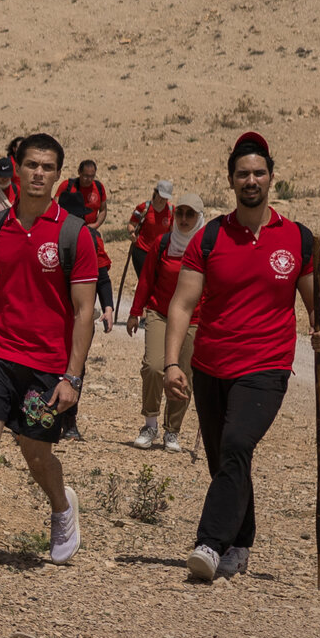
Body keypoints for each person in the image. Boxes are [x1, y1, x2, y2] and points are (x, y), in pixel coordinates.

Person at [162, 131, 320, 585]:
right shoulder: (211, 236)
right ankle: (241, 541)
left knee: (238, 444)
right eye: (243, 174)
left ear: (271, 177)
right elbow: (181, 304)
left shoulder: (297, 238)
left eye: (259, 172)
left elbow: (317, 300)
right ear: (231, 180)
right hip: (210, 365)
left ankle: (209, 544)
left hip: (267, 366)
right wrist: (172, 363)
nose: (251, 180)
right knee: (225, 460)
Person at [0, 133, 95, 571]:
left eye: (47, 167)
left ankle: (62, 506)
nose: (38, 173)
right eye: (31, 165)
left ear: (58, 175)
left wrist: (72, 378)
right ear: (17, 167)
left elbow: (84, 314)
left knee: (35, 452)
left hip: (47, 366)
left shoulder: (73, 234)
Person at [125, 190, 205, 451]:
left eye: (189, 214)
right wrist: (135, 312)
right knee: (154, 367)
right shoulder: (162, 243)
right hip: (160, 313)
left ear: (199, 217)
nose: (183, 219)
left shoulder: (206, 247)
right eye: (180, 213)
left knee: (185, 373)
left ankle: (173, 430)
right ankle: (150, 424)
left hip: (194, 318)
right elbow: (146, 279)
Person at [57, 158, 116, 330]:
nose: (88, 179)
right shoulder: (52, 237)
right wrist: (108, 307)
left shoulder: (91, 238)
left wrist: (108, 307)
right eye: (85, 176)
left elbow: (102, 275)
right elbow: (103, 277)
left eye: (92, 176)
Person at [128, 181, 175, 279]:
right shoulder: (143, 208)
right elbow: (131, 224)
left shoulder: (171, 210)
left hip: (161, 252)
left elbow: (172, 231)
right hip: (142, 250)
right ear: (155, 192)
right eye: (161, 196)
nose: (162, 200)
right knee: (146, 281)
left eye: (165, 198)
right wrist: (132, 233)